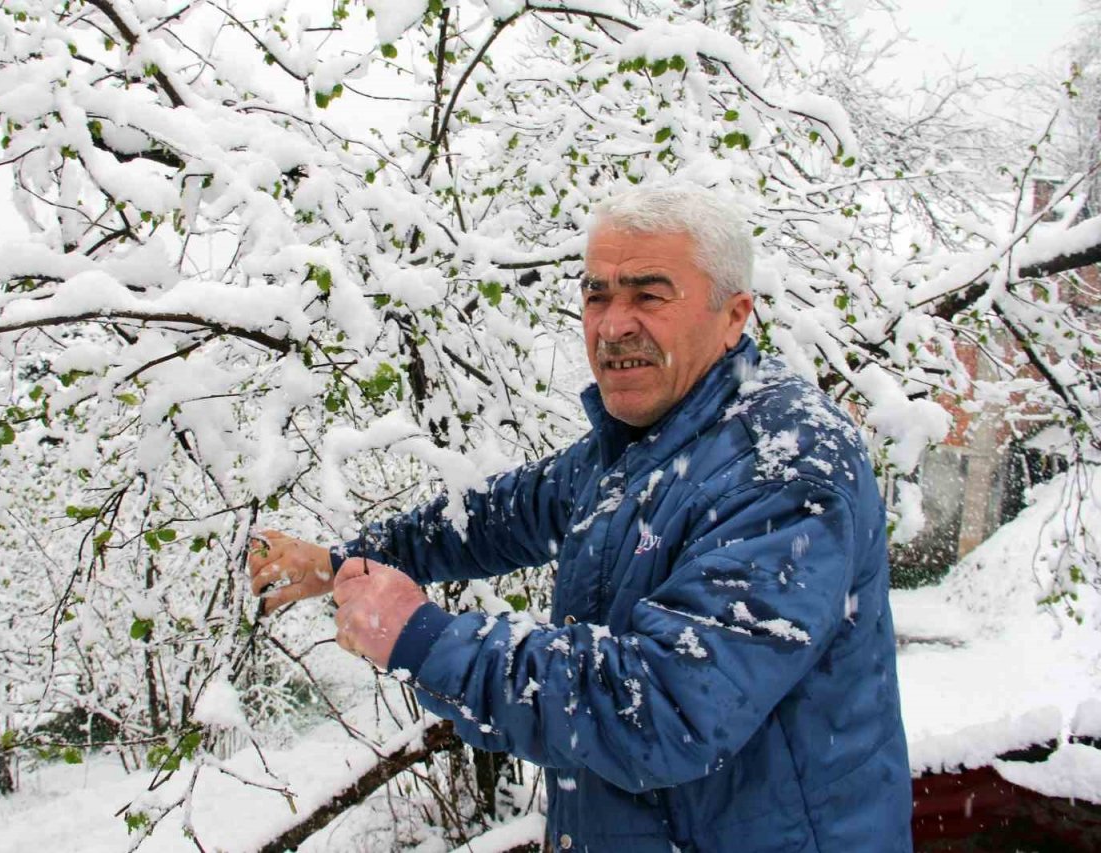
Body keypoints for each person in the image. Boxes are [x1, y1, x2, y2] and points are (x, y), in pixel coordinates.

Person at [248, 185, 913, 852]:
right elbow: (495, 517)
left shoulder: (785, 464)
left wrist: (424, 640)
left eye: (648, 295)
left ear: (734, 315)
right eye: (597, 295)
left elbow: (665, 708)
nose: (613, 325)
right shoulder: (637, 447)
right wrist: (342, 560)